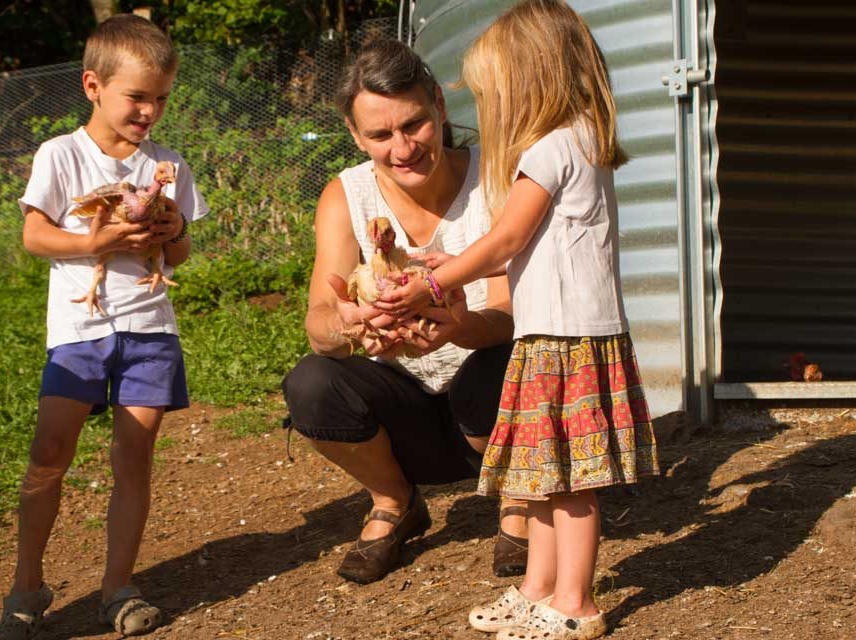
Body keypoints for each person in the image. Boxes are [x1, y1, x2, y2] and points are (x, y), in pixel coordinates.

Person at [378, 1, 661, 638]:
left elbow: (504, 242)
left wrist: (430, 281)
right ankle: (537, 589)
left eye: (493, 91)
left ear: (529, 80)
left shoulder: (554, 146)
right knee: (540, 477)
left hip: (567, 339)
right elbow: (533, 244)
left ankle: (575, 604)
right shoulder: (578, 140)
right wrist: (448, 263)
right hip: (552, 336)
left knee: (569, 481)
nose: (489, 107)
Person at [280, 38, 528, 587]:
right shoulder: (345, 196)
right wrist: (352, 323)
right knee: (311, 382)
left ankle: (518, 496)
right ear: (354, 135)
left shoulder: (499, 178)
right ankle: (394, 500)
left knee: (511, 356)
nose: (402, 147)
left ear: (439, 105)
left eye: (414, 124)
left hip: (489, 408)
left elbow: (514, 315)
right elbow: (320, 318)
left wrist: (461, 328)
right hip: (405, 419)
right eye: (379, 135)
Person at [0, 15, 207, 639]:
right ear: (93, 85)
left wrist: (173, 233)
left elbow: (182, 251)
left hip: (149, 329)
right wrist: (97, 240)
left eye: (161, 99)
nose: (150, 111)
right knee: (49, 455)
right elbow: (35, 235)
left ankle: (117, 589)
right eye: (137, 97)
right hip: (80, 332)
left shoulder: (169, 164)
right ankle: (26, 588)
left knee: (132, 458)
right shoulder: (60, 154)